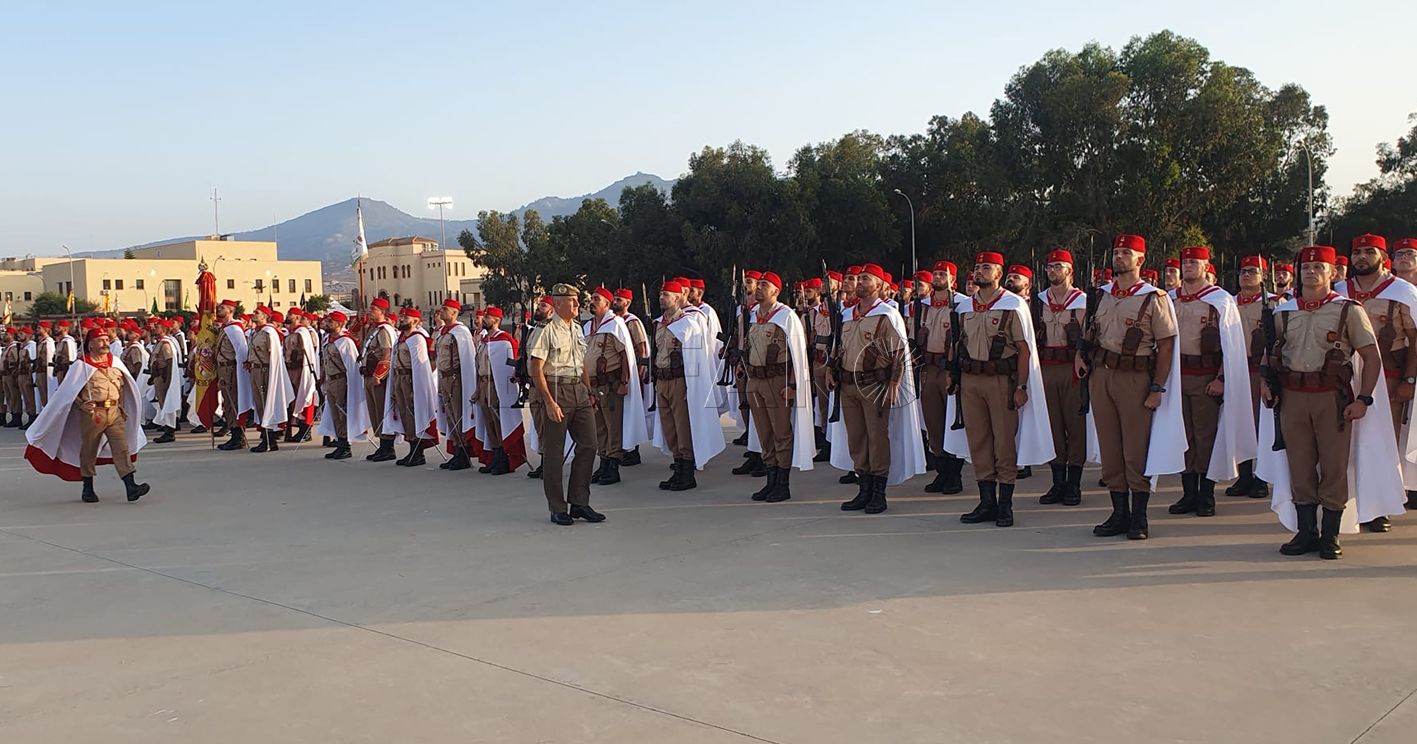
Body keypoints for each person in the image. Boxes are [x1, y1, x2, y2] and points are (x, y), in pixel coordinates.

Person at [1256, 245, 1404, 559]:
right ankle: (1306, 531)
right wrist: (1264, 383)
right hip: (1293, 397)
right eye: (1305, 268)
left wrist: (1364, 398)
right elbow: (1271, 353)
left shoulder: (1347, 309)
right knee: (1299, 465)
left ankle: (1330, 534)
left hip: (1331, 399)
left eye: (1318, 268)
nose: (1310, 273)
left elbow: (1371, 357)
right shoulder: (1285, 311)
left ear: (1332, 273)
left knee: (1334, 467)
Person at [1075, 234, 1184, 540]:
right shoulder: (1101, 294)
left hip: (1135, 379)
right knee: (1110, 448)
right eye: (1117, 252)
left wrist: (1157, 387)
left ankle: (1139, 517)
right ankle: (1118, 512)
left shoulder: (1154, 297)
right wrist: (1079, 357)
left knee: (1135, 451)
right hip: (1102, 375)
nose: (1119, 257)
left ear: (1140, 260)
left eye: (1127, 252)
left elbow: (1165, 347)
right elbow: (1089, 333)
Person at [954, 252, 1052, 527]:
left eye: (987, 268)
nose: (980, 272)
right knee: (978, 441)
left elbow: (1023, 350)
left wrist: (1021, 386)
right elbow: (959, 343)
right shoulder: (964, 307)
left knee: (1003, 442)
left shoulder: (1012, 304)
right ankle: (987, 502)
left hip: (1001, 380)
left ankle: (1005, 505)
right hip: (971, 380)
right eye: (977, 268)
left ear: (999, 273)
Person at [1165, 246, 1256, 518]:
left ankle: (1206, 494)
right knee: (1184, 436)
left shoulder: (1221, 300)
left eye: (1195, 262)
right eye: (1186, 262)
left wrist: (1221, 378)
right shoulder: (1169, 298)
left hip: (1206, 376)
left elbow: (1232, 346)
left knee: (1206, 437)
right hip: (1176, 376)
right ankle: (1188, 492)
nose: (1189, 266)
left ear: (1206, 266)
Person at [827, 263, 926, 513]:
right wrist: (831, 369)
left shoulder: (885, 314)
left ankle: (879, 493)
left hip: (875, 386)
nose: (860, 282)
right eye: (859, 279)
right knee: (856, 439)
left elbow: (898, 353)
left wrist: (894, 382)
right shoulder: (847, 315)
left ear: (880, 285)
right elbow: (839, 347)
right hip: (848, 384)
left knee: (876, 438)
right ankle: (863, 488)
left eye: (866, 279)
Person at [1335, 233, 1417, 529]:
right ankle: (1345, 503)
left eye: (1369, 252)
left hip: (1388, 374)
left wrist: (1409, 378)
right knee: (1345, 441)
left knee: (1382, 441)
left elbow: (1414, 340)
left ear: (1383, 257)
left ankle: (1379, 507)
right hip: (1344, 375)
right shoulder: (1339, 290)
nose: (1361, 258)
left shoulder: (1402, 292)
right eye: (1357, 252)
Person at [24, 325, 150, 503]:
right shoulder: (82, 365)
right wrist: (81, 404)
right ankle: (88, 487)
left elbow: (124, 386)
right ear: (90, 345)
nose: (105, 343)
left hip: (114, 412)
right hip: (94, 413)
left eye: (107, 340)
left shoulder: (115, 362)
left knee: (122, 448)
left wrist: (122, 406)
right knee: (89, 450)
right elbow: (68, 391)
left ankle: (131, 486)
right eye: (100, 340)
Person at [529, 283, 605, 525]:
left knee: (589, 444)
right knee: (554, 452)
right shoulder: (546, 330)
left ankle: (580, 502)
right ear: (557, 303)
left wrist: (589, 392)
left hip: (578, 391)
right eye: (571, 301)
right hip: (555, 388)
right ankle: (557, 506)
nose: (576, 305)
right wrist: (549, 402)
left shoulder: (577, 329)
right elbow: (536, 368)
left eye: (576, 300)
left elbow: (581, 363)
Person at [739, 271, 814, 502]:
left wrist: (792, 384)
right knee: (764, 432)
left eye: (765, 285)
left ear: (776, 291)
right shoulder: (751, 315)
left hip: (777, 380)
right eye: (758, 284)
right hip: (756, 380)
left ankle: (782, 483)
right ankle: (770, 478)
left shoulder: (786, 316)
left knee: (781, 432)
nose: (759, 288)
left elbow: (797, 354)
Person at [651, 280, 726, 491]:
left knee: (682, 427)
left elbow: (695, 358)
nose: (661, 298)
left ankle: (687, 471)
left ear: (676, 298)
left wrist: (691, 386)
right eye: (661, 294)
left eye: (666, 294)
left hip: (679, 381)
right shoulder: (659, 323)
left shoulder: (688, 323)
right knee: (669, 427)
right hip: (663, 379)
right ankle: (677, 466)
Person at [1035, 249, 1088, 506]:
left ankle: (1074, 484)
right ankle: (1057, 482)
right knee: (1052, 425)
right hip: (1045, 368)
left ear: (1069, 270)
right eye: (1049, 267)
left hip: (1073, 370)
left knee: (1075, 426)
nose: (1052, 270)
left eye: (1058, 266)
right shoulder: (1037, 302)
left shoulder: (1084, 301)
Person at [583, 288, 648, 486]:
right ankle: (603, 461)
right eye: (592, 298)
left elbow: (625, 355)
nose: (592, 302)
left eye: (597, 299)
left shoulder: (616, 324)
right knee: (599, 427)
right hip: (593, 385)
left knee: (613, 426)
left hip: (611, 384)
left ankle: (613, 465)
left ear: (607, 304)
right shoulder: (587, 327)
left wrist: (625, 381)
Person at [1227, 255, 1275, 500]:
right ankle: (1243, 475)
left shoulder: (1274, 303)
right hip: (1236, 369)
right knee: (1239, 423)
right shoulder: (1229, 302)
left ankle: (1262, 478)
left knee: (1262, 426)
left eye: (1253, 271)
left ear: (1263, 276)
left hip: (1260, 370)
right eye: (1243, 271)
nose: (1246, 275)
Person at [920, 261, 969, 495]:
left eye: (943, 274)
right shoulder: (923, 306)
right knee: (933, 422)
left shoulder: (961, 304)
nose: (938, 277)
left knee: (953, 423)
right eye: (936, 273)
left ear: (953, 279)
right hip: (929, 368)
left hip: (949, 369)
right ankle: (941, 470)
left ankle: (954, 475)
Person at [472, 306, 527, 475]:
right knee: (488, 421)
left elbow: (510, 365)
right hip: (483, 383)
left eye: (487, 317)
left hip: (495, 384)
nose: (484, 319)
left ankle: (504, 456)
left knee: (498, 420)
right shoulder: (483, 341)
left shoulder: (504, 340)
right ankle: (495, 454)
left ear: (496, 320)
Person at [383, 307, 439, 466]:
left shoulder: (417, 339)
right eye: (401, 317)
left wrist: (417, 388)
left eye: (405, 317)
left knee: (413, 414)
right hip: (400, 378)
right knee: (404, 415)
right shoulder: (401, 338)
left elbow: (421, 367)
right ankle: (412, 449)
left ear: (415, 321)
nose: (401, 319)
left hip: (410, 379)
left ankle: (418, 452)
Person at [315, 311, 370, 460]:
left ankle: (345, 445)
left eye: (330, 322)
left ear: (339, 324)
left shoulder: (345, 342)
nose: (327, 324)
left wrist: (351, 386)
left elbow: (352, 366)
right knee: (334, 413)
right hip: (331, 380)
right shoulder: (329, 340)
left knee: (342, 412)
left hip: (341, 381)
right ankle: (340, 442)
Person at [241, 306, 294, 453]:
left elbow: (274, 355)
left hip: (265, 371)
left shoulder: (269, 332)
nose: (253, 314)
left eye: (257, 313)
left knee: (266, 403)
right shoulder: (254, 333)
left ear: (265, 316)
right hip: (255, 370)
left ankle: (269, 440)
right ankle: (266, 436)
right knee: (260, 405)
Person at [432, 299, 476, 471]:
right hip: (444, 377)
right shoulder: (443, 332)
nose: (441, 311)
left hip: (456, 378)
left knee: (458, 413)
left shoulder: (461, 332)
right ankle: (456, 449)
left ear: (454, 312)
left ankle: (463, 453)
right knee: (449, 414)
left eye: (445, 309)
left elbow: (467, 358)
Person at [612, 287, 650, 467]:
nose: (615, 302)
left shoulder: (631, 322)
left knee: (630, 412)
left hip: (631, 374)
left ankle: (633, 450)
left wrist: (639, 374)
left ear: (627, 303)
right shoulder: (612, 321)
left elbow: (641, 348)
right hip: (616, 374)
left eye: (619, 300)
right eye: (615, 299)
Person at [359, 298, 400, 462]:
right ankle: (382, 445)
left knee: (382, 410)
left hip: (378, 377)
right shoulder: (372, 329)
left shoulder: (383, 330)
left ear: (382, 312)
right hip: (368, 373)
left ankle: (387, 447)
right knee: (374, 411)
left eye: (374, 309)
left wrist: (379, 375)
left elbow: (386, 353)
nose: (370, 311)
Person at [213, 300, 253, 450]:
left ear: (230, 310)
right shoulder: (226, 328)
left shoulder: (234, 329)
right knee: (227, 402)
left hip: (231, 369)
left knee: (233, 402)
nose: (219, 309)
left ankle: (238, 436)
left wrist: (240, 373)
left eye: (222, 308)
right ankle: (233, 432)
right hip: (223, 369)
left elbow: (242, 351)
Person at [284, 309, 319, 443]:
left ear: (297, 317)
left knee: (304, 397)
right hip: (290, 370)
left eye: (290, 314)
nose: (287, 316)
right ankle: (295, 427)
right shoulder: (290, 333)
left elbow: (308, 353)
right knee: (293, 400)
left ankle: (305, 430)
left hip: (300, 370)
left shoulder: (303, 332)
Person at [148, 320, 184, 444]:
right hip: (158, 376)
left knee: (167, 403)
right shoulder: (160, 342)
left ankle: (170, 431)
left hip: (163, 376)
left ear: (164, 329)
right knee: (163, 403)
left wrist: (168, 379)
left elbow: (169, 362)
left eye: (157, 326)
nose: (155, 327)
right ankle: (168, 427)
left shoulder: (165, 344)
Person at [33, 320, 54, 413]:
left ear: (46, 329)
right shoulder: (41, 342)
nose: (37, 330)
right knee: (42, 396)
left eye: (39, 328)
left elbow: (49, 358)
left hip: (45, 372)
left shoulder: (48, 342)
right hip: (39, 371)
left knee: (46, 396)